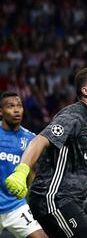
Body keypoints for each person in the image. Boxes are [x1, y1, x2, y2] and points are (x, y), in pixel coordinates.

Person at [4, 66, 87, 237]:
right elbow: (40, 140)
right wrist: (22, 171)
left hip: (75, 201)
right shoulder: (74, 115)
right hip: (54, 199)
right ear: (86, 91)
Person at [0, 92, 47, 238]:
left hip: (15, 205)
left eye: (19, 106)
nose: (16, 110)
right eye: (11, 106)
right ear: (1, 111)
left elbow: (34, 172)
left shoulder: (30, 139)